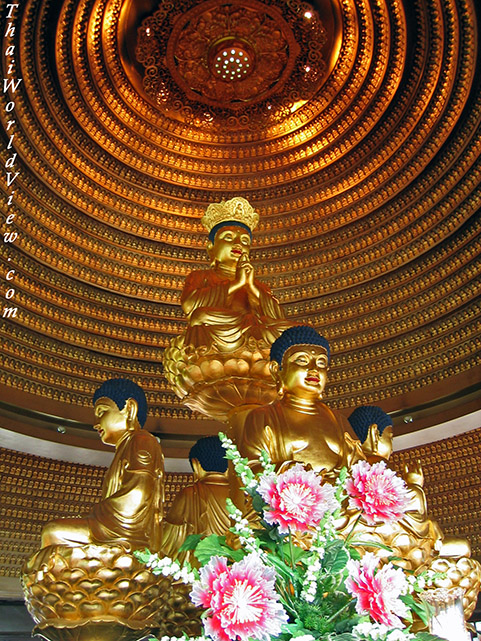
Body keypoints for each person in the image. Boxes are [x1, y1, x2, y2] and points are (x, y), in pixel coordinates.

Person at [41, 378, 164, 552]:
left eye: (102, 412)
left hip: (125, 534)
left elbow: (138, 493)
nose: (96, 423)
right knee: (53, 536)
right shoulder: (126, 447)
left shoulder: (142, 440)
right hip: (110, 528)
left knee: (53, 532)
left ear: (129, 409)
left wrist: (94, 516)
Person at [236, 325, 363, 477]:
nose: (314, 369)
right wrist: (291, 473)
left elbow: (360, 470)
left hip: (337, 498)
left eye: (321, 363)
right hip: (289, 497)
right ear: (277, 370)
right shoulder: (263, 417)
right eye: (302, 360)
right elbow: (251, 469)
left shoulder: (339, 421)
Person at [181, 196, 292, 352]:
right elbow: (189, 306)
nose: (238, 243)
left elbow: (278, 317)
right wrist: (236, 284)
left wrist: (252, 287)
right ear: (211, 248)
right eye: (228, 237)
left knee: (295, 331)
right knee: (200, 316)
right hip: (224, 326)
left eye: (245, 240)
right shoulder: (200, 276)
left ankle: (254, 338)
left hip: (254, 326)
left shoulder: (258, 285)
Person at [161, 436, 231, 562]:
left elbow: (169, 540)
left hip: (198, 566)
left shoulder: (189, 493)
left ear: (196, 464)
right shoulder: (241, 495)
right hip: (238, 572)